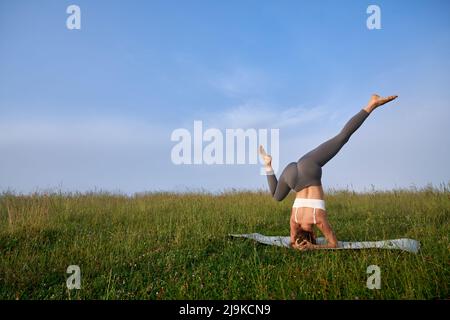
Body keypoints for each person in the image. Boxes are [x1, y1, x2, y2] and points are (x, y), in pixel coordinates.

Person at [259, 94, 398, 251]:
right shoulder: (294, 221)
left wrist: (313, 247)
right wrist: (297, 243)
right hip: (292, 173)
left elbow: (333, 245)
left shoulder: (318, 220)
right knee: (277, 197)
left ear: (313, 235)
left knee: (342, 138)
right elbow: (292, 241)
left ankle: (371, 104)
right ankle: (268, 165)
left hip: (309, 170)